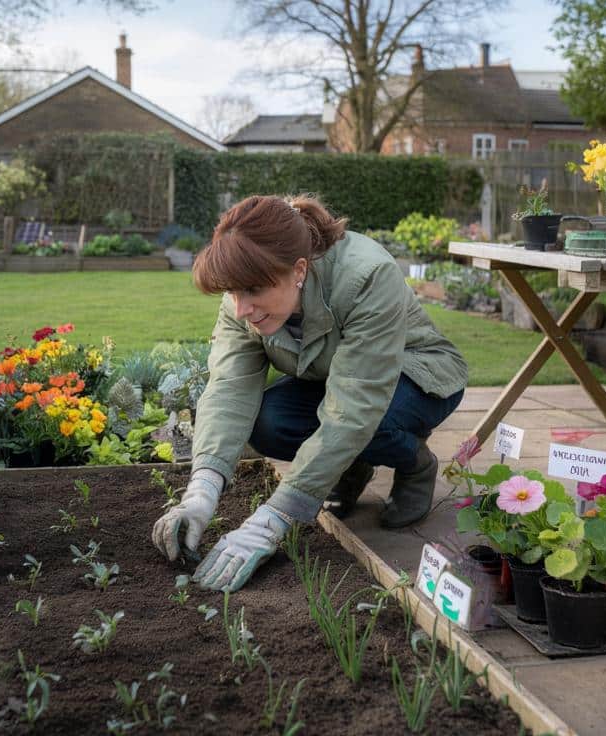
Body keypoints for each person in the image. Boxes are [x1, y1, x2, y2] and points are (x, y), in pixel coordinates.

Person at [151, 194, 469, 592]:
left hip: (418, 376)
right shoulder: (243, 294)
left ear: (299, 269)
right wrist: (202, 489)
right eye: (232, 293)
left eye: (251, 291)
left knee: (371, 423)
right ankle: (351, 467)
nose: (240, 308)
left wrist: (274, 519)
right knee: (269, 423)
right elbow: (229, 388)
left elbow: (355, 407)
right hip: (336, 382)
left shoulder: (367, 275)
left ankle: (415, 464)